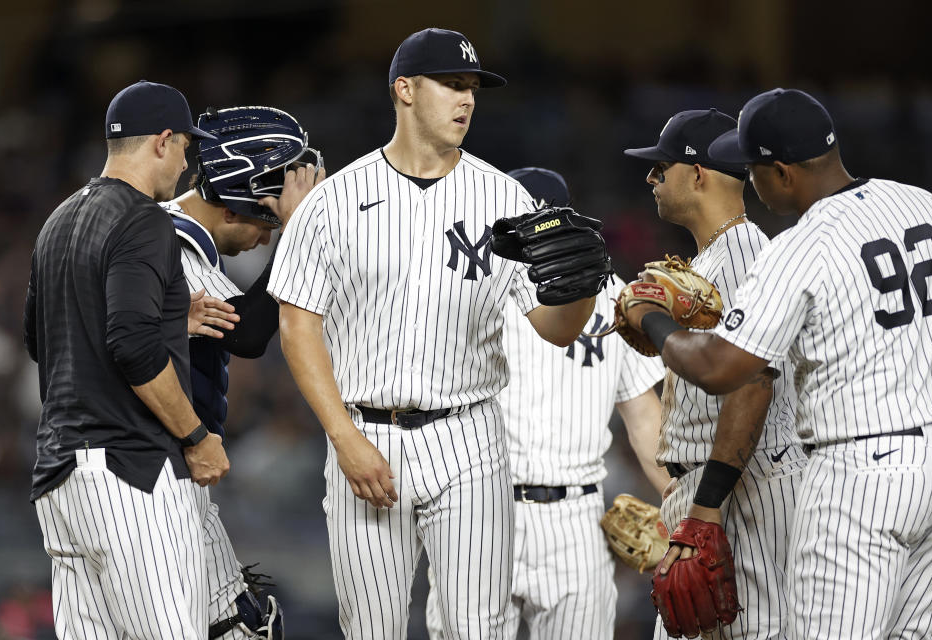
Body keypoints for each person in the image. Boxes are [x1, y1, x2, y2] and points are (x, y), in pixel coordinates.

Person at [266, 28, 610, 639]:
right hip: (365, 433)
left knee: (478, 627)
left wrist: (580, 292)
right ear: (403, 89)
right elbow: (297, 327)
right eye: (452, 84)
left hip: (469, 434)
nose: (467, 99)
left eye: (472, 87)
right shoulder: (337, 199)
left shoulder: (504, 196)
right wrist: (343, 438)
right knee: (372, 628)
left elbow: (555, 331)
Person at [622, 88, 932, 639]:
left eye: (753, 169)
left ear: (781, 172)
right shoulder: (927, 205)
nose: (748, 181)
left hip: (858, 472)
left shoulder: (802, 244)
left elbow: (730, 369)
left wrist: (654, 320)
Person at [23, 80, 230, 639]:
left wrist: (167, 319)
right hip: (132, 475)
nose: (188, 164)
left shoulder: (59, 219)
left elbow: (43, 339)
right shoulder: (145, 218)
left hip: (62, 482)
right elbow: (132, 349)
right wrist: (196, 437)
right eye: (186, 146)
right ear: (163, 141)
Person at [424, 167, 668, 639]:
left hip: (574, 516)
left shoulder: (615, 297)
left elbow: (643, 416)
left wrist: (682, 503)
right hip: (477, 510)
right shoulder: (464, 291)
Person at [622, 108, 805, 639]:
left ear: (697, 172)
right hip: (710, 490)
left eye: (662, 168)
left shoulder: (747, 252)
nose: (652, 178)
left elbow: (754, 384)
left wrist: (705, 508)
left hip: (747, 490)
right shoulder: (709, 262)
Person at [161, 105, 325, 640]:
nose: (268, 235)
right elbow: (248, 335)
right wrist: (299, 235)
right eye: (268, 219)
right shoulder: (166, 237)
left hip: (172, 472)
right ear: (234, 204)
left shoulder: (187, 240)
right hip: (154, 475)